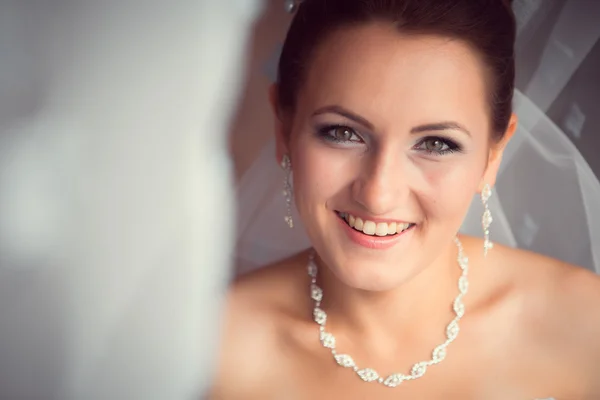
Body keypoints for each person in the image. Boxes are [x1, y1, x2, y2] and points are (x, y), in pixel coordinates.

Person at [210, 0, 600, 399]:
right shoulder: (207, 352)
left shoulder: (586, 325)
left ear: (492, 156)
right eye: (342, 133)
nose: (378, 195)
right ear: (284, 129)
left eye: (435, 143)